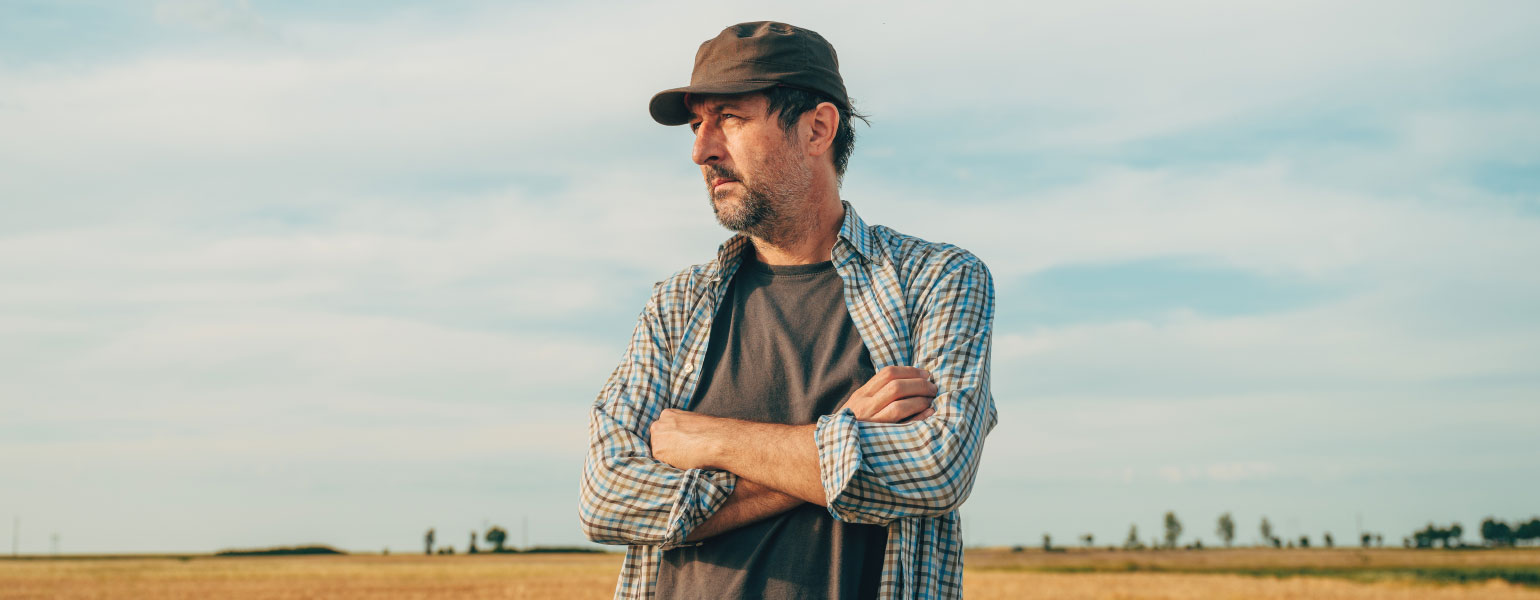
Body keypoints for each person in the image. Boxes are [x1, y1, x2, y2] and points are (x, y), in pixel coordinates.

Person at [579, 21, 998, 600]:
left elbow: (936, 469)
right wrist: (845, 436)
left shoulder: (935, 280)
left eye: (729, 117)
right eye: (699, 124)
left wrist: (711, 441)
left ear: (817, 128)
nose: (702, 150)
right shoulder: (675, 305)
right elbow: (607, 498)